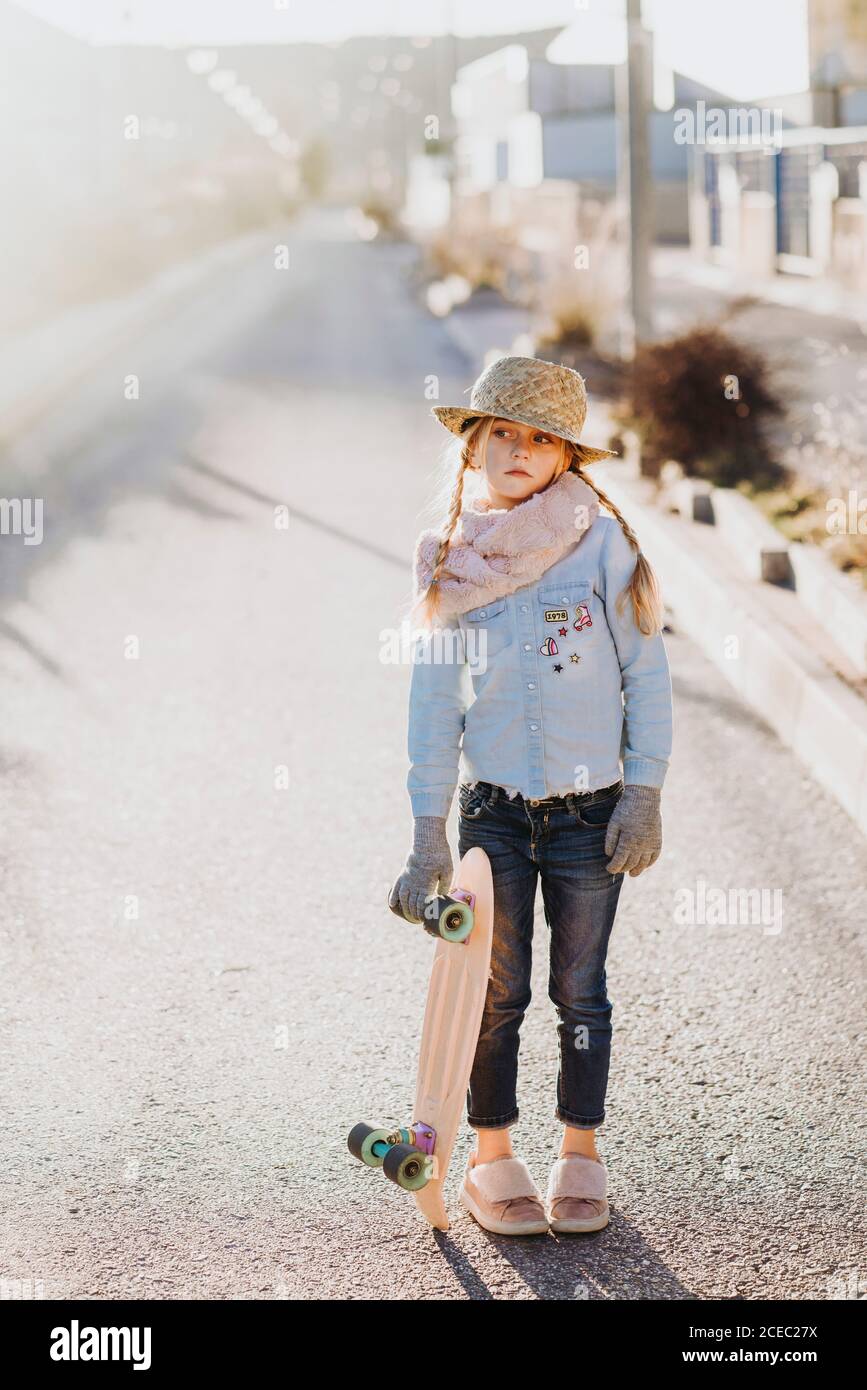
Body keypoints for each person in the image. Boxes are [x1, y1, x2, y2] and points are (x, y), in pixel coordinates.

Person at [389, 355, 674, 1236]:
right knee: (493, 990)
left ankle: (579, 1152)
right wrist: (426, 835)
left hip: (594, 814)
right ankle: (491, 1155)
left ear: (565, 457)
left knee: (580, 989)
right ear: (473, 444)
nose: (518, 449)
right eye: (501, 432)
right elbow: (434, 705)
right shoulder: (448, 558)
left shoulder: (599, 541)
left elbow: (647, 676)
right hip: (494, 818)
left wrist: (644, 794)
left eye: (539, 438)